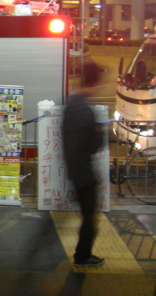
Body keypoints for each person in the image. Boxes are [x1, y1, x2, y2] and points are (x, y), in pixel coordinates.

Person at [62, 62, 105, 267]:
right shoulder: (85, 111)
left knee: (87, 216)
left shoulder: (71, 105)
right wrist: (99, 133)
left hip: (75, 170)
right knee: (89, 218)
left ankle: (82, 254)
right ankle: (82, 256)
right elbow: (91, 145)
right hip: (83, 173)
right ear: (94, 84)